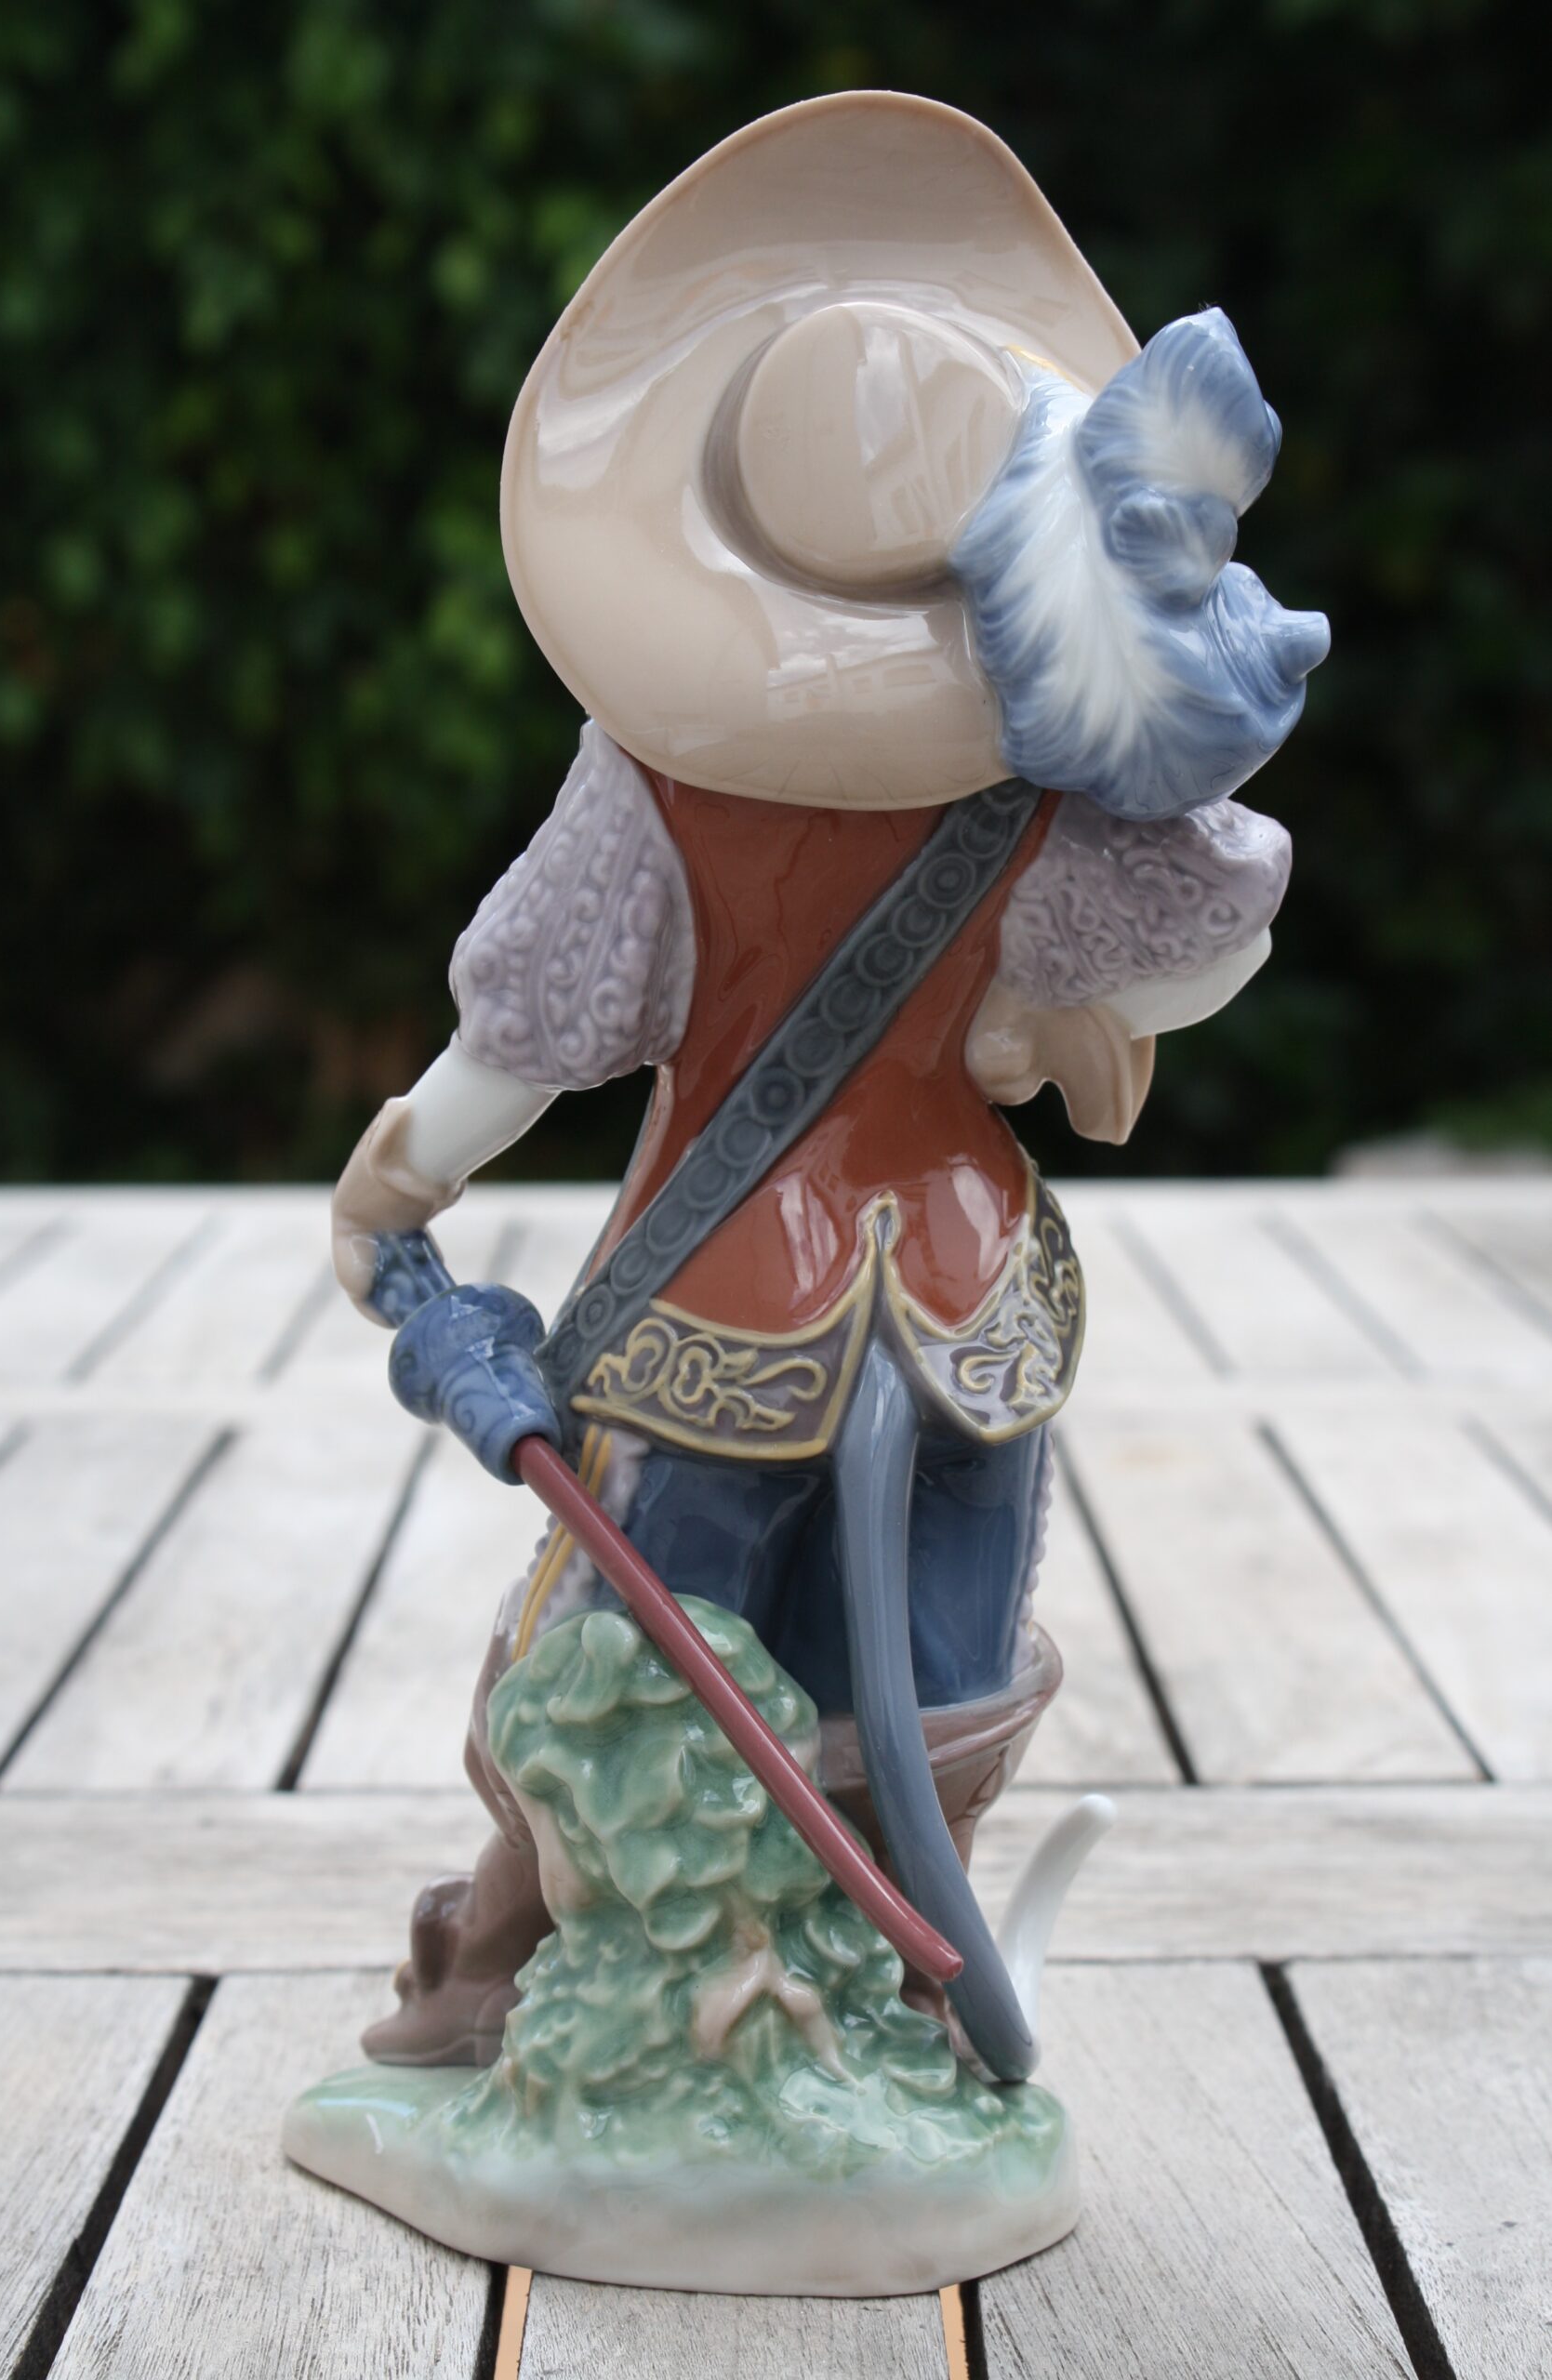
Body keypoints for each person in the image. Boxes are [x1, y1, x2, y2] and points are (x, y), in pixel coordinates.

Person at [329, 92, 1326, 2075]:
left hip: (724, 1318)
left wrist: (395, 1184)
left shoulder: (655, 780)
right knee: (941, 1673)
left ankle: (593, 1987)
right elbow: (1215, 933)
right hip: (969, 1297)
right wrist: (1021, 1029)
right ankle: (900, 2007)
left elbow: (522, 1038)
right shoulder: (1043, 779)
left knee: (641, 1670)